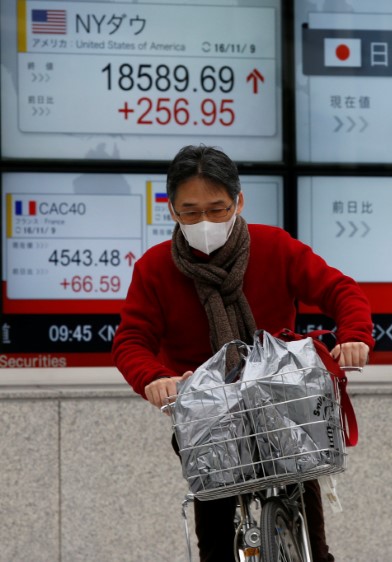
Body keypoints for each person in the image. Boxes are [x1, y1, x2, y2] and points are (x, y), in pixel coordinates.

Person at [112, 144, 373, 562]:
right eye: (191, 211)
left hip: (283, 400)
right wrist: (154, 378)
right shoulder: (155, 268)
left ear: (239, 201)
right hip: (205, 411)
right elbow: (131, 340)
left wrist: (355, 335)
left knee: (310, 525)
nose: (205, 221)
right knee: (214, 534)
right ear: (173, 211)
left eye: (217, 209)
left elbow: (339, 290)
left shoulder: (274, 247)